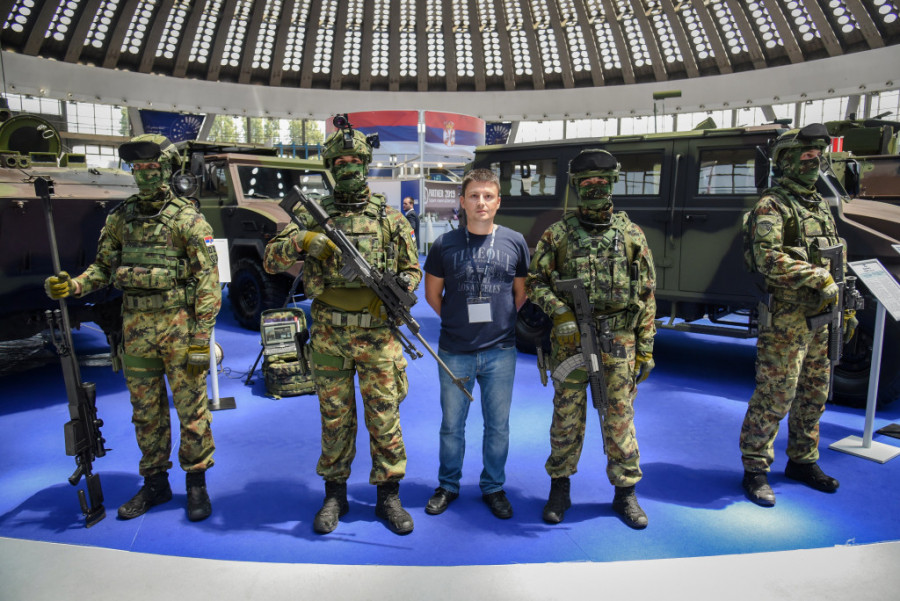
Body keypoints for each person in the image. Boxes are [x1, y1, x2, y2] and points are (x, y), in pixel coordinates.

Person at [44, 134, 221, 522]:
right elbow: (103, 268)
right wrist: (74, 286)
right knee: (145, 412)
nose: (144, 175)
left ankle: (196, 483)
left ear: (166, 170)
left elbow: (208, 281)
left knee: (192, 410)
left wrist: (201, 338)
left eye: (152, 168)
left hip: (179, 330)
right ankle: (155, 483)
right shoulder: (120, 219)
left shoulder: (189, 219)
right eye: (138, 168)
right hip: (136, 330)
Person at [263, 124, 421, 535]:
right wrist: (304, 241)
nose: (348, 167)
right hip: (330, 335)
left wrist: (397, 289)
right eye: (341, 162)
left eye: (355, 161)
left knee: (384, 417)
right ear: (331, 167)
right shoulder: (308, 215)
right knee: (334, 418)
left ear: (366, 165)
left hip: (378, 336)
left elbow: (412, 270)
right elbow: (271, 260)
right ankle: (335, 494)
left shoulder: (390, 218)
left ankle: (388, 495)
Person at [526, 149, 657, 529]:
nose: (595, 187)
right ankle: (560, 487)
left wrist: (646, 349)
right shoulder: (558, 235)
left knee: (619, 418)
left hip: (619, 341)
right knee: (566, 417)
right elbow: (535, 283)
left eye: (601, 181)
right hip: (570, 342)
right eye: (587, 182)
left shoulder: (631, 235)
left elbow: (647, 294)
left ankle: (625, 492)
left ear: (613, 183)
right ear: (576, 186)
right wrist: (561, 312)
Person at [739, 123, 855, 507]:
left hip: (822, 316)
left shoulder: (818, 204)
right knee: (776, 394)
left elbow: (834, 255)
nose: (814, 163)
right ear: (786, 161)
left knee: (814, 393)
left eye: (817, 156)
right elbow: (767, 259)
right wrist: (819, 277)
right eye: (806, 157)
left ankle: (803, 460)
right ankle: (755, 468)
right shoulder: (772, 205)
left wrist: (845, 308)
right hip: (787, 320)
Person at [422, 169, 529, 519]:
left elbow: (520, 293)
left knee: (497, 426)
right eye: (474, 196)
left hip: (501, 352)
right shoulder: (444, 245)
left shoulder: (515, 241)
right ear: (462, 202)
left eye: (487, 196)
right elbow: (432, 295)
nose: (481, 202)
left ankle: (493, 486)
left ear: (498, 202)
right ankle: (448, 485)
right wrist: (458, 322)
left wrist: (499, 322)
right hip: (455, 351)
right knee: (452, 426)